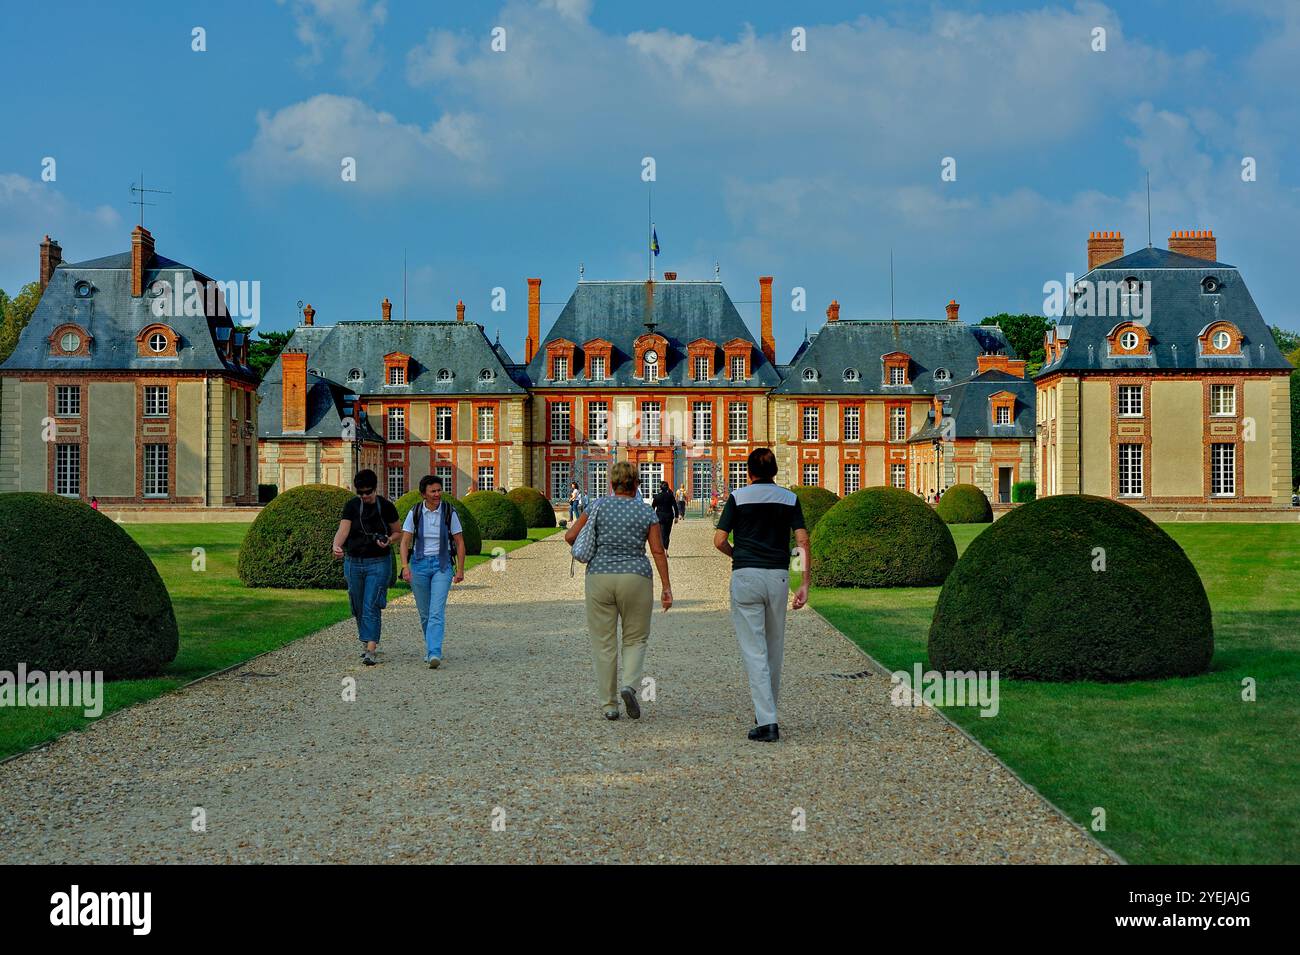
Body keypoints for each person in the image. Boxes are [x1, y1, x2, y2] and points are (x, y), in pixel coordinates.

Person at [564, 460, 672, 721]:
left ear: (612, 484)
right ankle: (629, 685)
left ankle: (609, 705)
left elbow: (570, 537)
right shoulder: (645, 512)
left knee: (604, 643)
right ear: (636, 484)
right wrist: (667, 587)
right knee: (635, 639)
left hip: (600, 577)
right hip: (636, 577)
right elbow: (658, 550)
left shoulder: (597, 505)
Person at [714, 448, 809, 743]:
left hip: (746, 576)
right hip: (778, 576)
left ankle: (767, 722)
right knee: (774, 647)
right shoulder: (789, 498)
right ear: (776, 472)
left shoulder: (738, 497)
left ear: (748, 472)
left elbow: (719, 540)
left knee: (754, 650)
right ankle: (766, 713)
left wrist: (737, 555)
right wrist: (804, 581)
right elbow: (802, 539)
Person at [332, 469, 401, 666]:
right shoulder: (352, 506)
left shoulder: (386, 507)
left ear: (375, 489)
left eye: (367, 492)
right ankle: (366, 641)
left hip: (378, 562)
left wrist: (388, 540)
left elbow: (398, 532)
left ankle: (371, 648)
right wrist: (336, 545)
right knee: (357, 603)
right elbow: (343, 530)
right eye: (360, 493)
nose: (364, 496)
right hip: (354, 561)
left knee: (371, 603)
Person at [399, 475, 466, 669]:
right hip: (419, 565)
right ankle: (431, 647)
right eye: (433, 491)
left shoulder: (449, 512)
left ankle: (434, 652)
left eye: (439, 490)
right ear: (424, 494)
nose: (437, 494)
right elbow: (404, 542)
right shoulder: (415, 512)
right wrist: (405, 566)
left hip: (442, 565)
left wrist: (460, 569)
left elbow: (460, 542)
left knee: (436, 611)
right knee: (425, 614)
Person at [652, 480, 677, 551]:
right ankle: (666, 549)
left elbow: (653, 507)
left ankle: (663, 549)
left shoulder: (657, 496)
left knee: (661, 533)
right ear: (667, 488)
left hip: (659, 517)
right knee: (667, 534)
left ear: (660, 488)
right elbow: (675, 506)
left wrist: (652, 516)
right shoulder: (670, 496)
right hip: (669, 516)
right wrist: (676, 516)